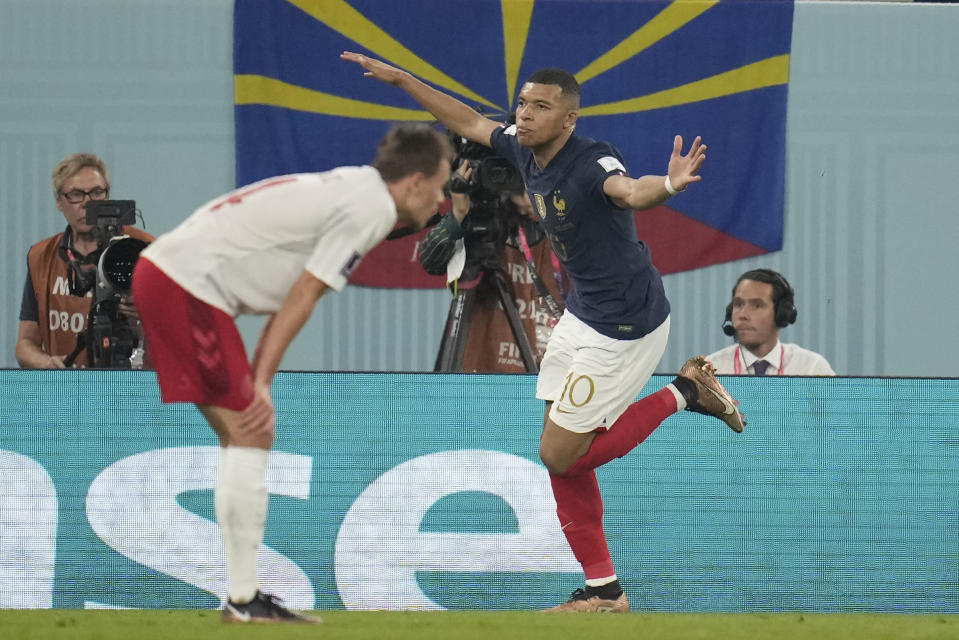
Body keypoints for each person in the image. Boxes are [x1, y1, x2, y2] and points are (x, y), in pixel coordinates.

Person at [342, 53, 746, 613]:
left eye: (541, 107)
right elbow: (466, 121)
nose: (525, 115)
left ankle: (685, 392)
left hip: (625, 324)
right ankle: (604, 591)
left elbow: (629, 191)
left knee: (558, 454)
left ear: (569, 119)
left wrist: (670, 185)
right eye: (523, 104)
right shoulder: (520, 147)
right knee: (564, 451)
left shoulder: (592, 160)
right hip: (584, 315)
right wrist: (405, 80)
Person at [130, 123, 452, 623]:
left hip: (176, 278)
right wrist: (261, 380)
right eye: (439, 185)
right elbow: (304, 294)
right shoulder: (371, 208)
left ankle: (243, 597)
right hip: (185, 285)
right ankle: (242, 600)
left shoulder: (358, 187)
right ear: (413, 182)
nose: (441, 201)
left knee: (244, 435)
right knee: (250, 428)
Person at [419, 160, 564, 372]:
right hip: (473, 368)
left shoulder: (550, 232)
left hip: (532, 370)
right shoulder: (482, 225)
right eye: (527, 183)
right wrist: (458, 215)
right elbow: (431, 261)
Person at [16, 153, 153, 369]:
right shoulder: (41, 256)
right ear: (59, 201)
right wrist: (48, 364)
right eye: (76, 194)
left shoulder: (144, 250)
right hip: (68, 392)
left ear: (107, 195)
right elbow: (25, 345)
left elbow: (183, 335)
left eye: (97, 192)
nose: (88, 204)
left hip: (134, 389)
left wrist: (147, 315)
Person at [707, 268, 835, 375]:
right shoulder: (709, 372)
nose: (742, 315)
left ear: (781, 313)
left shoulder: (811, 369)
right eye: (738, 304)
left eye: (757, 305)